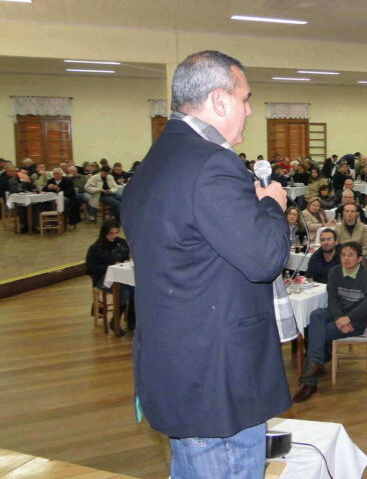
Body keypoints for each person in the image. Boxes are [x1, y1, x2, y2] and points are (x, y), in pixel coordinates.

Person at [121, 51, 291, 479]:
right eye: (245, 98)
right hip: (218, 380)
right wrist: (272, 206)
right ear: (219, 101)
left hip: (181, 364)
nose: (250, 110)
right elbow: (264, 259)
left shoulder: (156, 162)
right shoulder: (212, 164)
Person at [294, 241, 367, 402]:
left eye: (351, 255)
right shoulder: (334, 272)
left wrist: (349, 319)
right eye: (343, 255)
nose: (346, 259)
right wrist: (339, 318)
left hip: (356, 321)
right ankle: (316, 364)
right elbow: (332, 299)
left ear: (360, 258)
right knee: (316, 314)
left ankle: (309, 382)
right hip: (338, 315)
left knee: (314, 332)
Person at [85, 220, 133, 334]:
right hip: (103, 279)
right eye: (111, 233)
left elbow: (127, 256)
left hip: (122, 275)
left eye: (116, 233)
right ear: (104, 233)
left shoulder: (121, 243)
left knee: (135, 288)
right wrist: (110, 266)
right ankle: (115, 321)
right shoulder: (95, 248)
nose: (114, 236)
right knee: (124, 290)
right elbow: (90, 269)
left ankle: (133, 321)